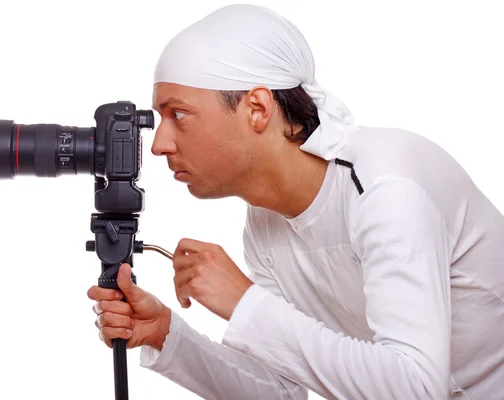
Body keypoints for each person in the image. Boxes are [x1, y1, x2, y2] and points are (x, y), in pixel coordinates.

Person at [87, 4, 504, 399]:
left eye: (178, 114)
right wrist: (166, 333)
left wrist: (244, 301)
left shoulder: (385, 187)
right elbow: (282, 391)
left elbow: (415, 388)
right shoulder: (266, 225)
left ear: (257, 108)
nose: (159, 144)